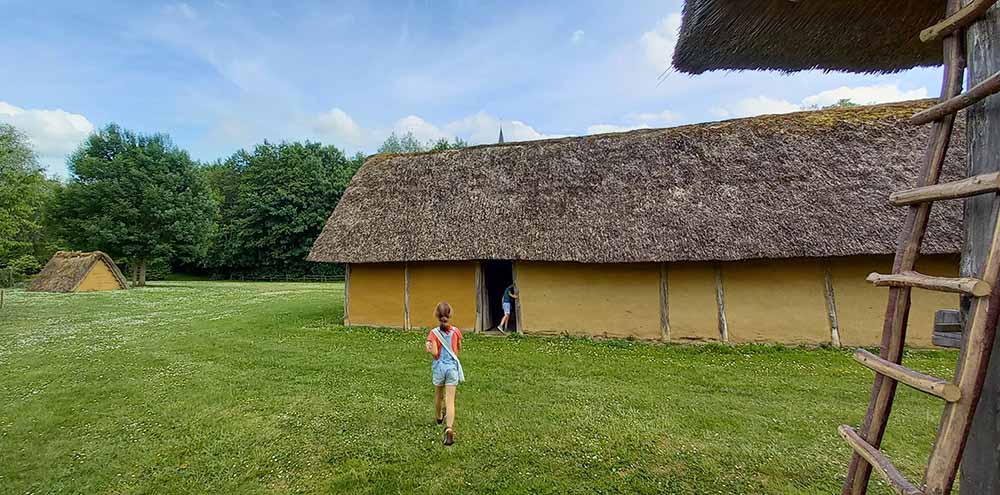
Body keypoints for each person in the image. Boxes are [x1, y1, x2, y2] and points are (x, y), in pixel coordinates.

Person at [424, 301, 463, 446]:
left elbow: (434, 353)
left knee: (439, 396)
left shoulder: (433, 333)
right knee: (450, 400)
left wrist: (428, 348)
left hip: (439, 368)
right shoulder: (456, 331)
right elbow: (459, 347)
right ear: (450, 315)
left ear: (437, 315)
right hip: (452, 368)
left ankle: (439, 417)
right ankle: (449, 429)